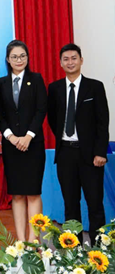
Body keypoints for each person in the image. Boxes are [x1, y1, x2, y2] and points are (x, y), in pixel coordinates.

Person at [47, 44, 110, 235]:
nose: (70, 62)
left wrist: (100, 152)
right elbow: (52, 119)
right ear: (60, 63)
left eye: (74, 58)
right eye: (65, 59)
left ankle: (99, 247)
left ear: (81, 60)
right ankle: (74, 248)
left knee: (95, 203)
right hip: (65, 154)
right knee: (70, 204)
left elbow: (103, 122)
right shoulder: (55, 88)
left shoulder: (95, 87)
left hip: (91, 155)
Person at [0, 40, 46, 242]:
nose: (19, 60)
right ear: (8, 60)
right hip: (12, 146)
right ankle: (20, 241)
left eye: (22, 56)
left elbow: (41, 109)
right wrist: (10, 136)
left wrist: (28, 136)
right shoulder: (1, 83)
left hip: (33, 144)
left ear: (27, 58)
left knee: (33, 193)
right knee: (16, 194)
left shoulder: (36, 79)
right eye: (14, 57)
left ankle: (34, 241)